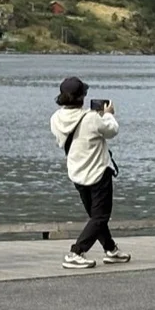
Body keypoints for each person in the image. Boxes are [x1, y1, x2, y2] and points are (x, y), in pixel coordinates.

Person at [50, 77, 131, 269]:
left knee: (95, 216)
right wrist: (109, 114)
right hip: (98, 172)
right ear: (81, 97)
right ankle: (76, 252)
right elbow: (112, 131)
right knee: (101, 216)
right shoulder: (92, 118)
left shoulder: (55, 118)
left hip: (76, 172)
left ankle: (110, 249)